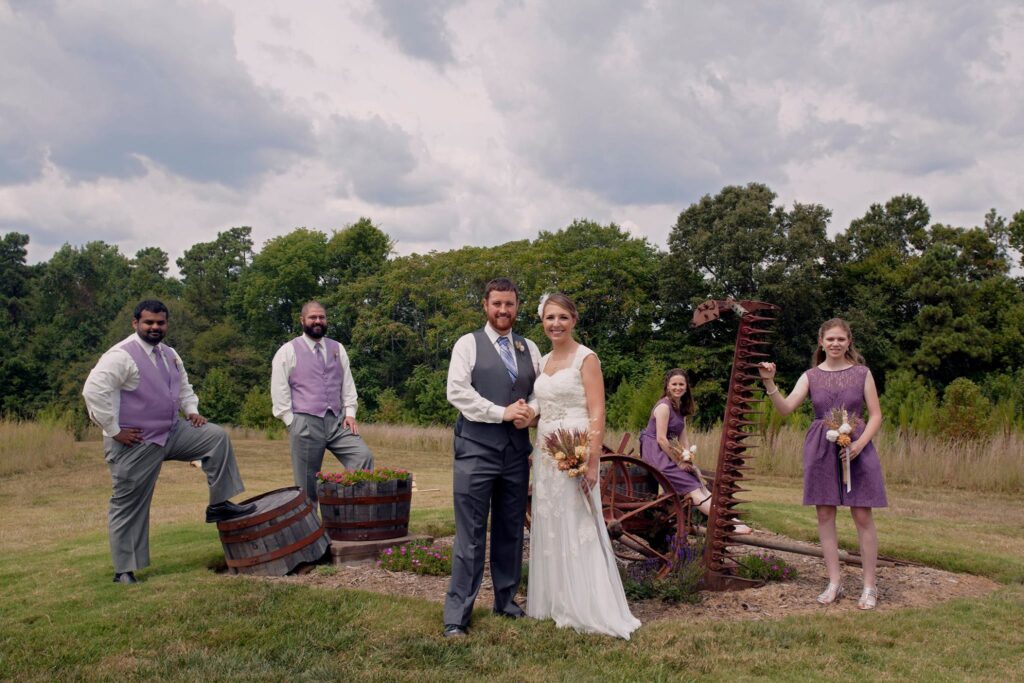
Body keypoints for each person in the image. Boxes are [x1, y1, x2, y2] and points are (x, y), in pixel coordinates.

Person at [82, 300, 255, 585]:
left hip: (172, 431)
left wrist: (192, 411)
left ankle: (220, 504)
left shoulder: (170, 354)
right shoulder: (120, 356)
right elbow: (93, 391)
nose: (154, 327)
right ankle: (124, 570)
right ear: (135, 323)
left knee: (215, 437)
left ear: (166, 324)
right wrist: (113, 430)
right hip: (134, 442)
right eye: (148, 322)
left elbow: (183, 386)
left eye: (160, 323)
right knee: (128, 504)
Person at [527, 293, 640, 639]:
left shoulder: (586, 358)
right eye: (549, 318)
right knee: (549, 521)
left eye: (562, 317)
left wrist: (593, 462)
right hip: (546, 450)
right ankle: (554, 600)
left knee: (577, 522)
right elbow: (540, 406)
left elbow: (598, 410)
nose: (555, 324)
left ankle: (587, 604)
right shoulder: (543, 360)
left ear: (574, 319)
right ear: (542, 322)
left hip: (574, 446)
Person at [757, 318, 887, 610]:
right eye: (830, 339)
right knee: (825, 515)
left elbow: (876, 415)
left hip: (857, 446)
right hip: (820, 447)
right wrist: (769, 382)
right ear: (821, 342)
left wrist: (859, 444)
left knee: (863, 515)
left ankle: (869, 586)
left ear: (849, 341)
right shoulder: (811, 375)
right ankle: (834, 582)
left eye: (841, 339)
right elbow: (786, 409)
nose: (835, 344)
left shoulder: (863, 373)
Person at [443, 278, 540, 638]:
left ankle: (506, 601)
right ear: (485, 305)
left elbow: (539, 392)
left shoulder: (529, 347)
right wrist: (501, 413)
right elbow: (457, 392)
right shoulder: (468, 344)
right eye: (497, 303)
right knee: (470, 535)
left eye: (510, 304)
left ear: (517, 307)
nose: (503, 310)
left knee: (510, 531)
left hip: (516, 454)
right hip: (476, 451)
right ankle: (457, 617)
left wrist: (531, 411)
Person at [271, 301, 374, 502]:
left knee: (363, 457)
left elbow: (347, 384)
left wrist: (351, 413)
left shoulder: (338, 348)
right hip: (305, 421)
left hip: (337, 420)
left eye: (322, 317)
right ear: (302, 320)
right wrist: (291, 421)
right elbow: (279, 388)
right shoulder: (288, 350)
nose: (318, 321)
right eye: (313, 317)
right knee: (307, 483)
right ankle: (312, 529)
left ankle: (356, 513)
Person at [639, 369, 751, 534]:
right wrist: (678, 462)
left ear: (686, 387)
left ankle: (731, 519)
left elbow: (683, 439)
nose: (678, 387)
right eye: (674, 384)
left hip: (670, 451)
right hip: (655, 452)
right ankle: (725, 524)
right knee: (692, 489)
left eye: (681, 384)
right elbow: (661, 439)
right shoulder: (664, 407)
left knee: (698, 480)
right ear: (668, 386)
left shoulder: (680, 409)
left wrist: (687, 458)